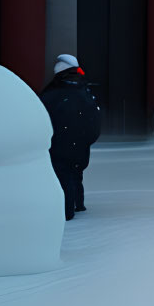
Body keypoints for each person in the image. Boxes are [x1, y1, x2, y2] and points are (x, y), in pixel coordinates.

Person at [40, 54, 102, 220]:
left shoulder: (52, 94)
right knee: (75, 173)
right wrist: (86, 140)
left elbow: (42, 116)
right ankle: (78, 203)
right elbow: (95, 122)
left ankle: (67, 211)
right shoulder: (85, 93)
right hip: (79, 144)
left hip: (59, 143)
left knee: (63, 175)